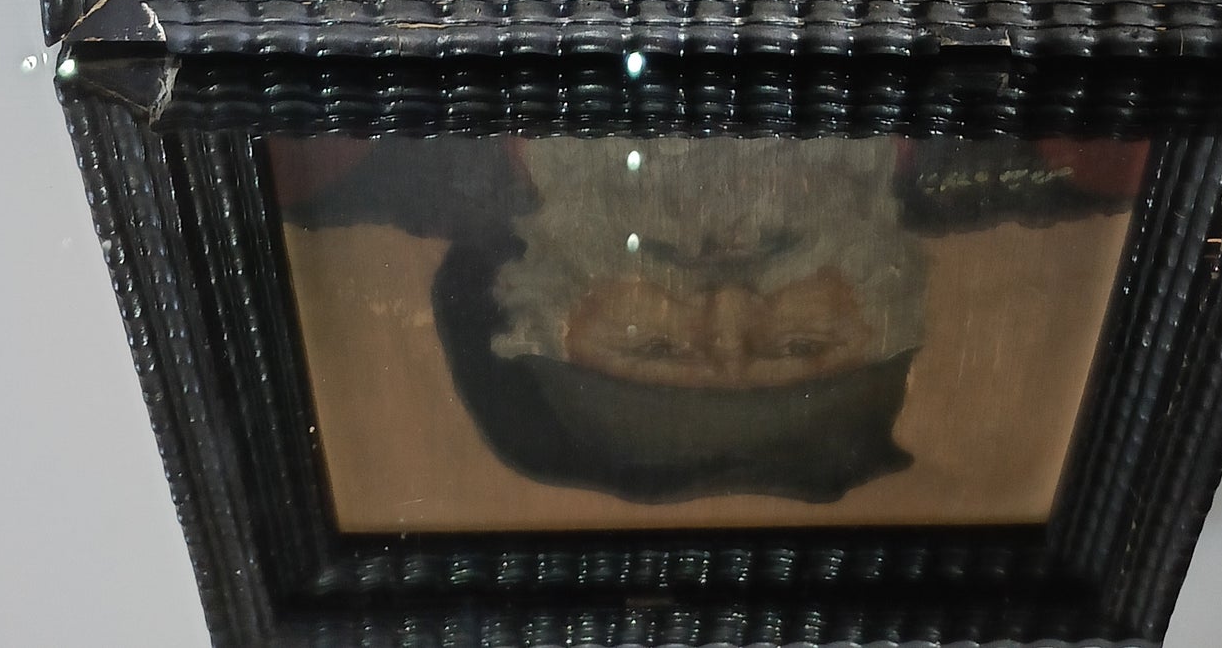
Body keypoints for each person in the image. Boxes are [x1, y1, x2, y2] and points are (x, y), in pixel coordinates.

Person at [273, 131, 1147, 509]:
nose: (729, 302)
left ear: (537, 310)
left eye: (655, 343)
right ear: (883, 310)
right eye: (798, 343)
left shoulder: (349, 147)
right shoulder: (1068, 144)